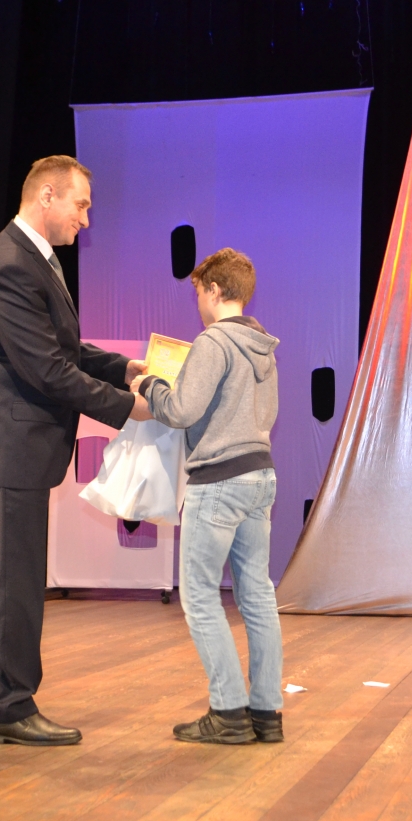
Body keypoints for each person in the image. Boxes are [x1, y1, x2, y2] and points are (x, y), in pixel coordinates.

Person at [0, 155, 152, 747]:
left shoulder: (32, 258)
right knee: (17, 580)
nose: (86, 219)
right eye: (81, 205)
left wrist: (122, 367)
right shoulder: (9, 266)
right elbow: (48, 371)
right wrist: (128, 407)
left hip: (10, 444)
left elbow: (62, 348)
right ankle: (9, 703)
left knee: (1, 573)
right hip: (6, 446)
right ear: (47, 196)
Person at [137, 248, 284, 745]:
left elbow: (181, 411)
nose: (198, 300)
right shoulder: (263, 347)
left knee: (199, 594)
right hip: (260, 476)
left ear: (214, 290)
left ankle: (228, 712)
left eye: (199, 291)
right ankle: (266, 713)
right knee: (257, 594)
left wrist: (149, 384)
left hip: (219, 480)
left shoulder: (213, 341)